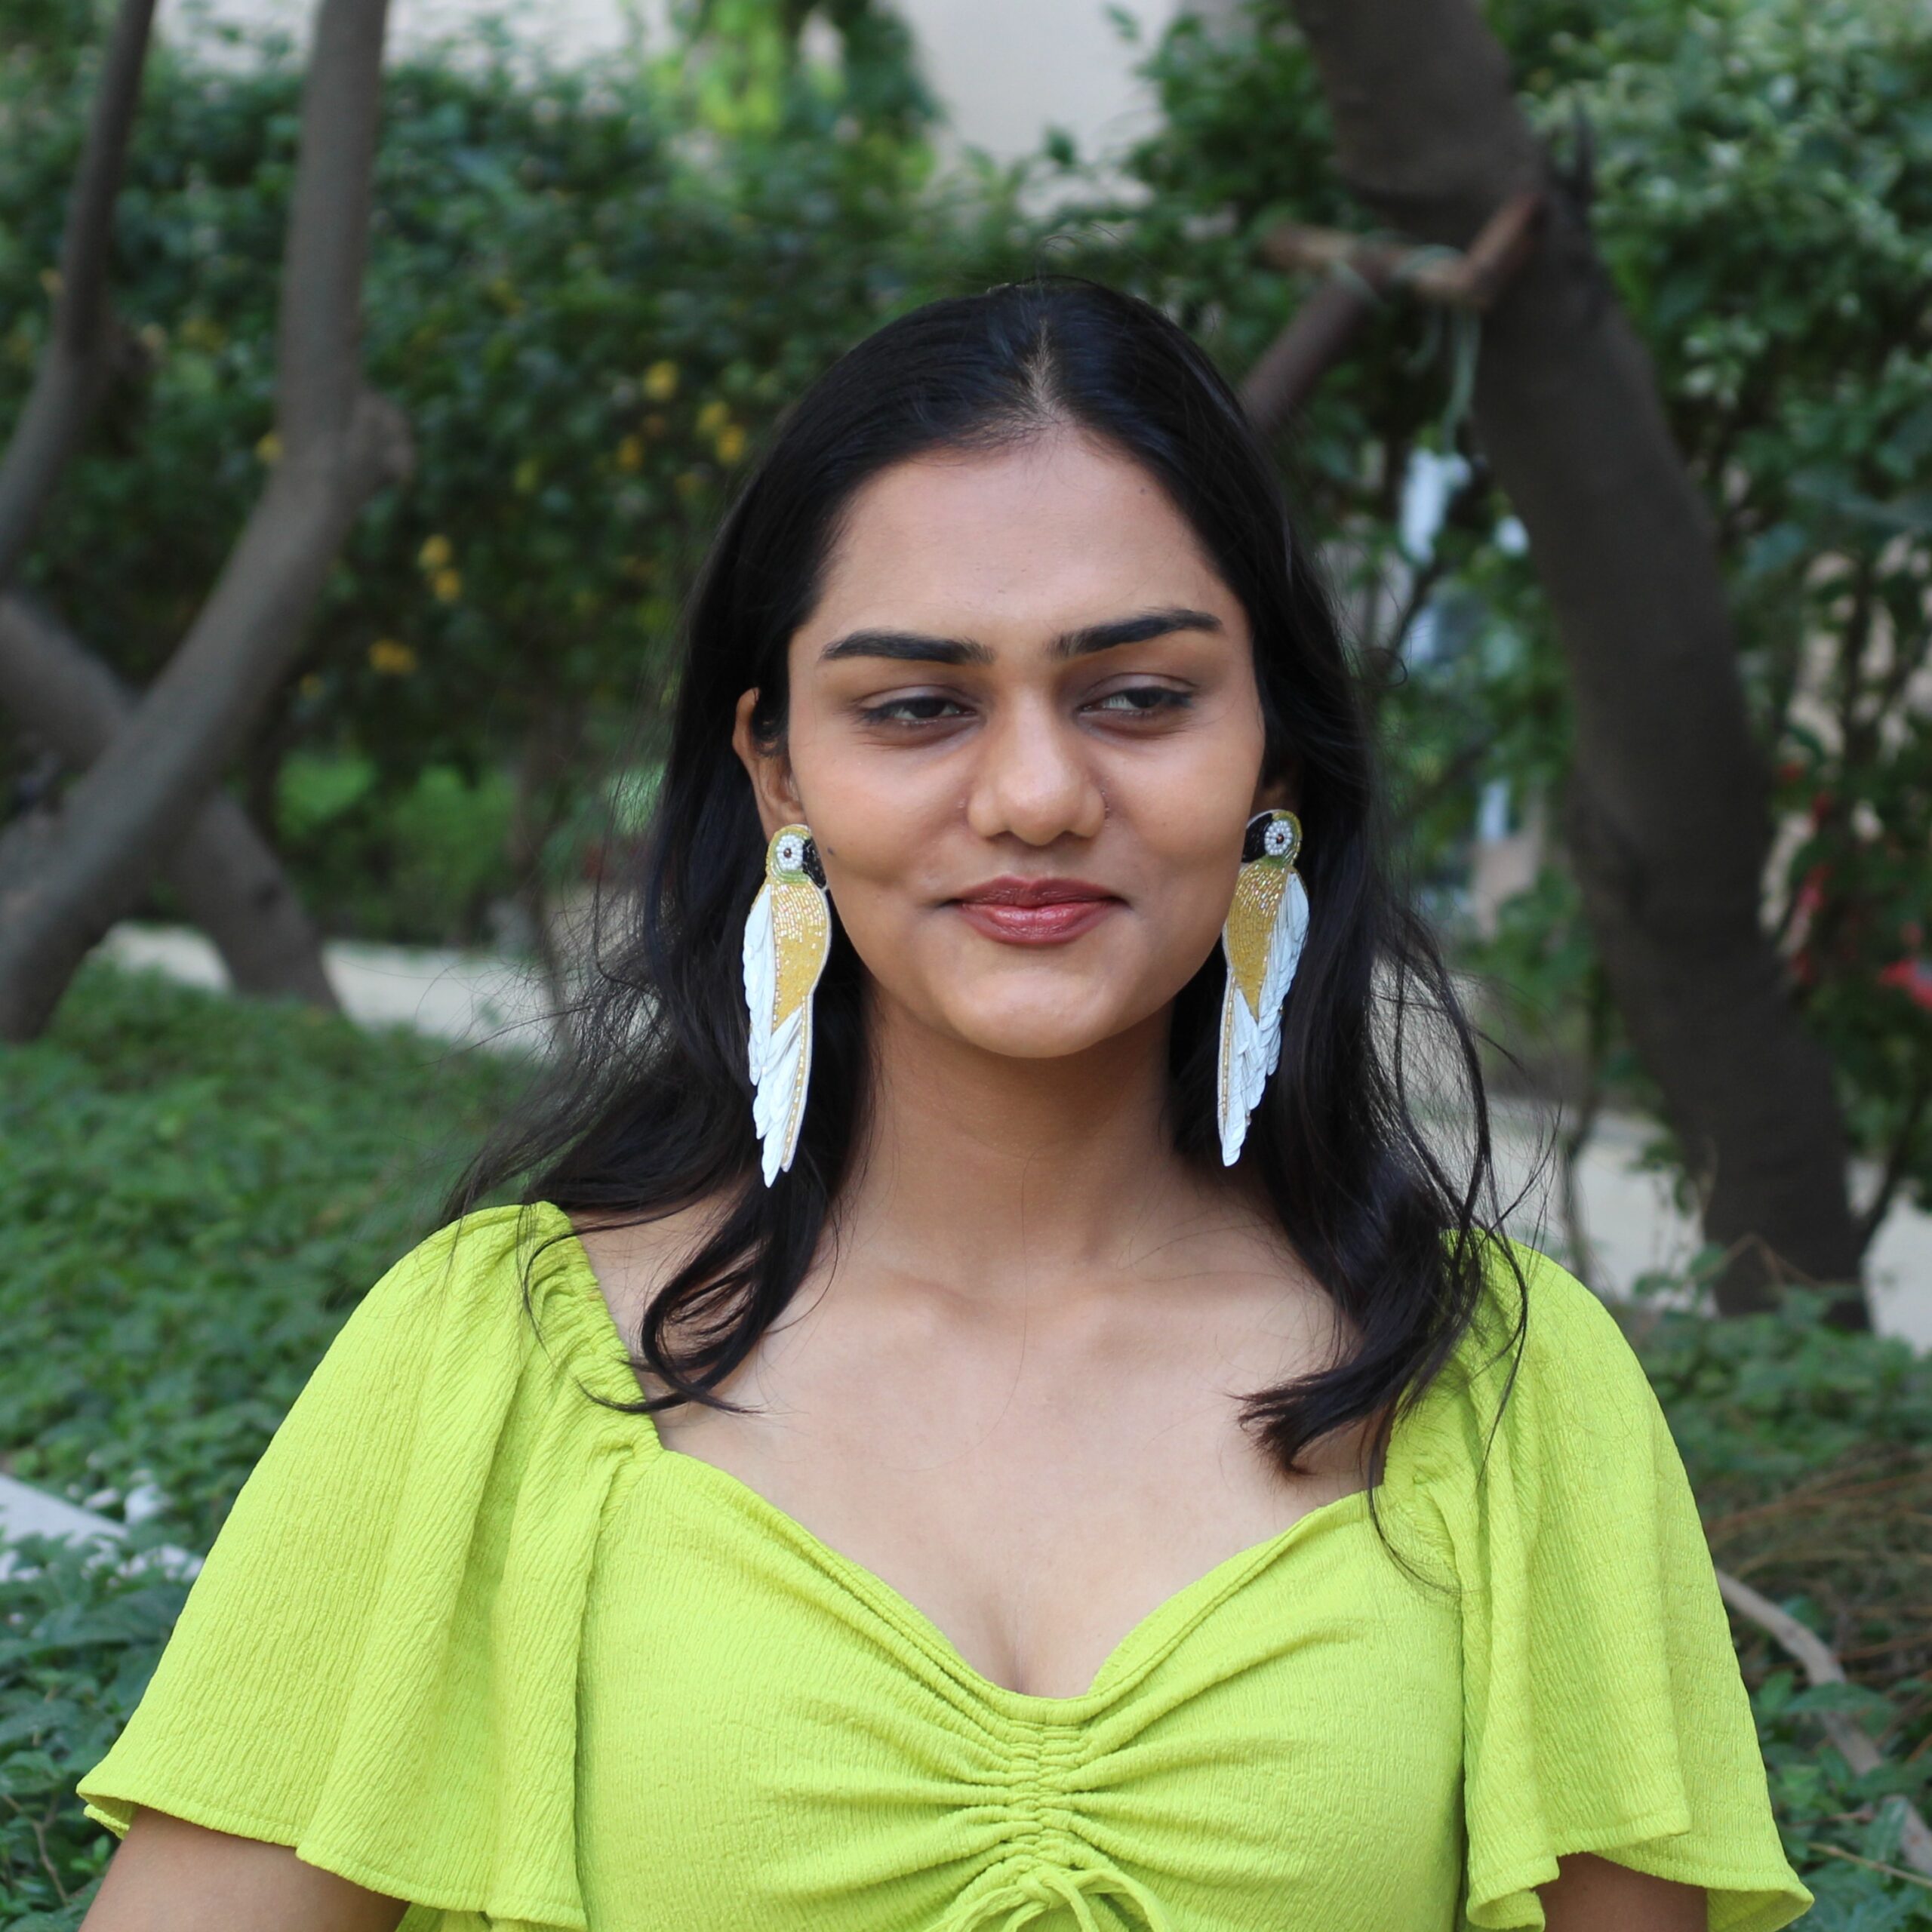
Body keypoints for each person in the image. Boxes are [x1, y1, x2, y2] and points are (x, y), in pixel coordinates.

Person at [75, 277, 1811, 1932]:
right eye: (917, 706)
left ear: (1268, 753)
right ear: (777, 771)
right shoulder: (495, 1363)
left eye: (1137, 696)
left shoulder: (1504, 1390)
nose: (1038, 792)